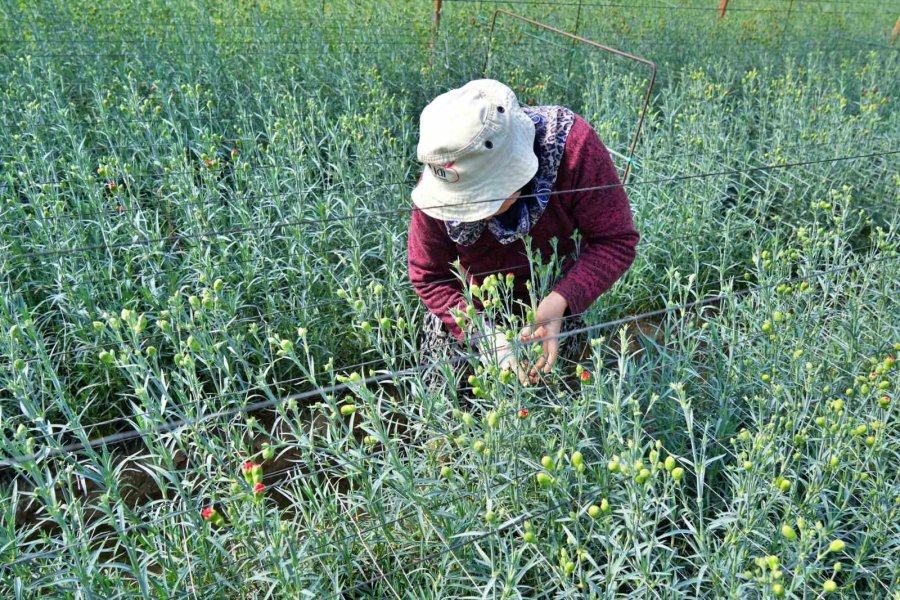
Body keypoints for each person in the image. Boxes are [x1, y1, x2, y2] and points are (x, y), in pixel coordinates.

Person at [407, 79, 639, 392]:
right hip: (469, 310)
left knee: (552, 399)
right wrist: (486, 337)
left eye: (484, 198)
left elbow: (615, 241)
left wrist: (560, 302)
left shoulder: (572, 149)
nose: (476, 214)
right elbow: (429, 276)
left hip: (554, 304)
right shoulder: (446, 169)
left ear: (519, 167)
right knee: (452, 400)